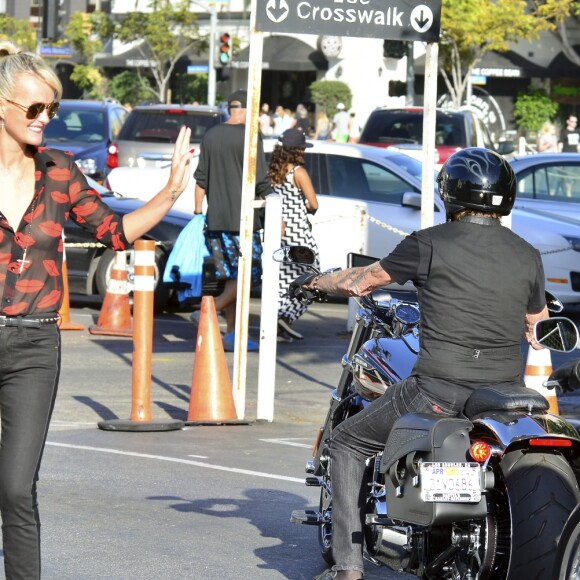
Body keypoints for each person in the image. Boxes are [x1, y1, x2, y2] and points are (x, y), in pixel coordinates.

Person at [299, 148, 549, 580]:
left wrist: (315, 281)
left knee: (345, 443)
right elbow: (537, 325)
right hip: (503, 397)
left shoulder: (428, 243)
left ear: (450, 193)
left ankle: (348, 568)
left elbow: (363, 280)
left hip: (437, 391)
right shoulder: (528, 255)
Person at [0, 42, 194, 580]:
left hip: (35, 344)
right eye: (34, 109)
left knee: (16, 488)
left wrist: (171, 191)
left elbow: (115, 232)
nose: (45, 119)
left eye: (52, 109)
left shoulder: (59, 172)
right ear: (2, 106)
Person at [193, 89, 271, 352]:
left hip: (215, 219)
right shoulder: (252, 136)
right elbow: (261, 179)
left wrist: (196, 211)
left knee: (230, 278)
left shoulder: (212, 135)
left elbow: (201, 178)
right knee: (248, 276)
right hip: (245, 221)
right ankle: (208, 309)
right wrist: (274, 203)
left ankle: (233, 335)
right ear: (248, 109)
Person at [268, 128, 319, 341]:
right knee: (313, 278)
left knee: (282, 280)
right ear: (298, 150)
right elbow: (314, 204)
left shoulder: (272, 172)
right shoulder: (298, 172)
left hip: (278, 231)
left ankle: (281, 323)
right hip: (299, 233)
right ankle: (286, 316)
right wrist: (304, 209)